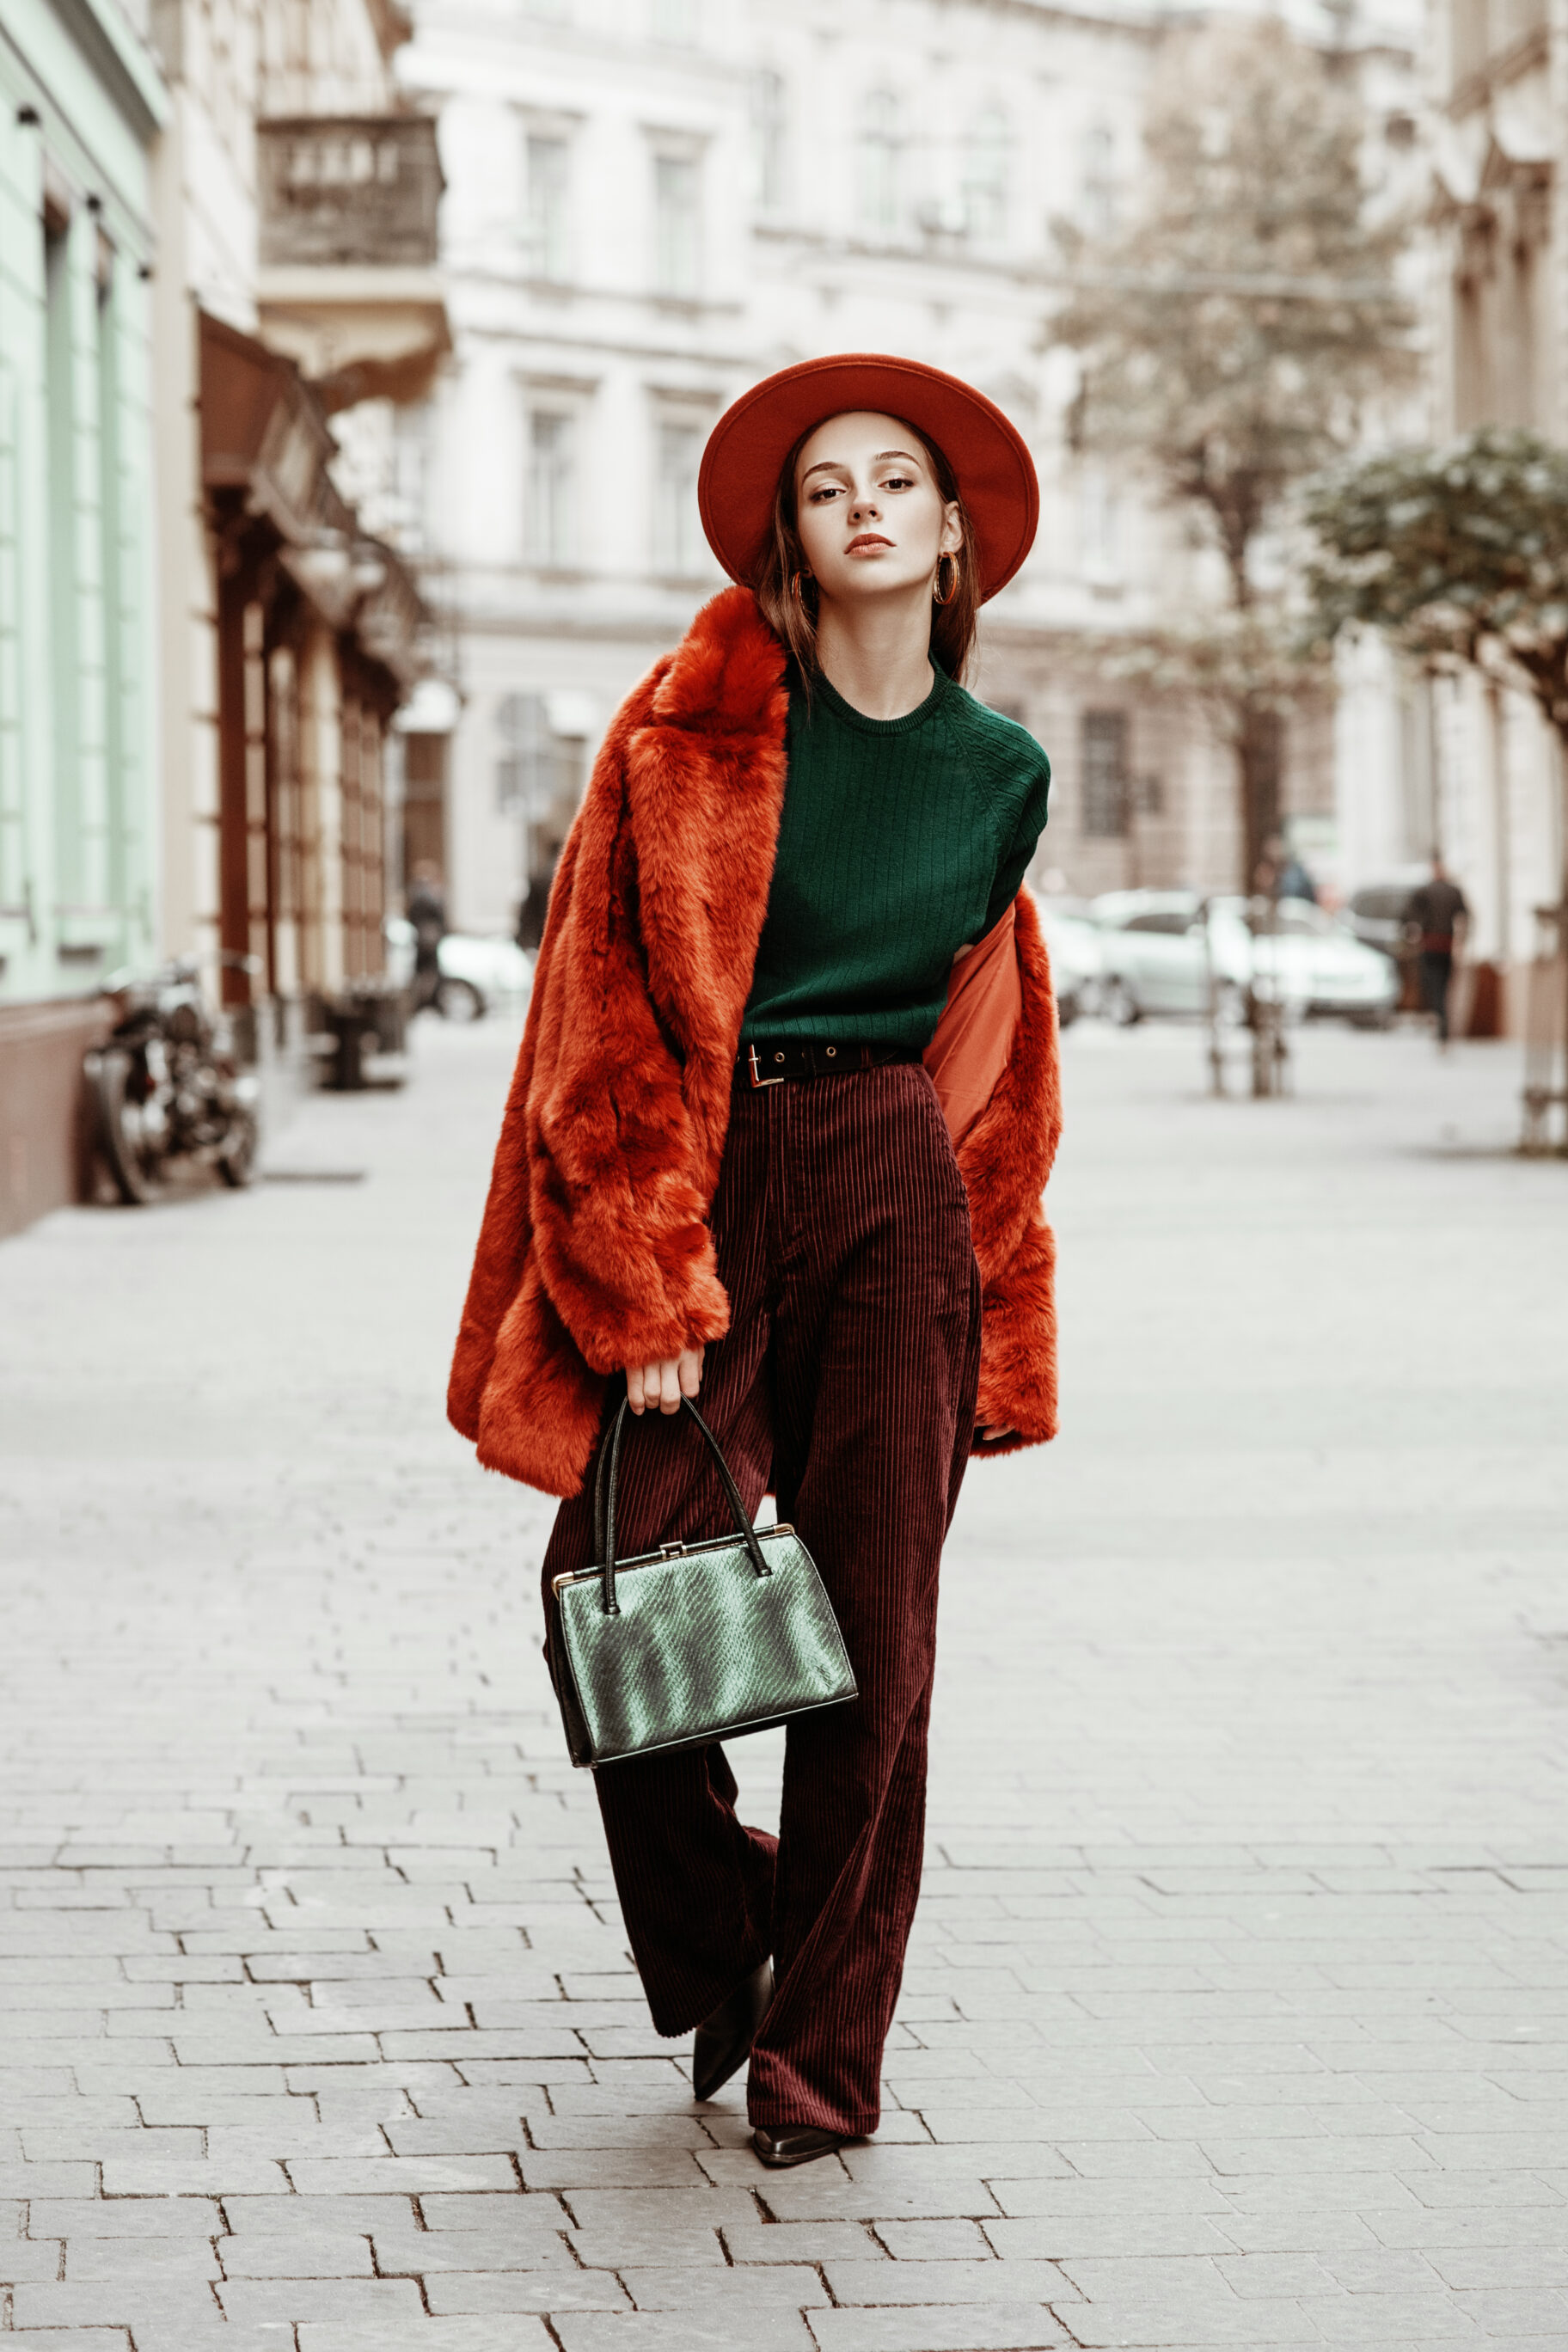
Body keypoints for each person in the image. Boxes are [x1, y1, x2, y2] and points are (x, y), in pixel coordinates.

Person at [447, 355, 1062, 2171]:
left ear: (951, 535)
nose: (864, 502)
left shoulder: (1001, 775)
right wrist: (639, 1283)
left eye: (899, 479)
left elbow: (994, 1046)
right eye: (824, 485)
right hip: (705, 1188)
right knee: (615, 1606)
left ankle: (821, 2061)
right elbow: (603, 1009)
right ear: (791, 539)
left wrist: (992, 1290)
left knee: (881, 1648)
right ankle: (728, 1933)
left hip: (893, 1186)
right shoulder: (696, 725)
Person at [1404, 853, 1469, 1044]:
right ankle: (1442, 1022)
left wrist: (1413, 936)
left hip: (1431, 945)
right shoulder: (1453, 891)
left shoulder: (1425, 891)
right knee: (1442, 985)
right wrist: (1463, 940)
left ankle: (1441, 1021)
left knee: (1434, 986)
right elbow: (1466, 916)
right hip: (1446, 945)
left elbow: (1408, 916)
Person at [406, 861, 447, 1010]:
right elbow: (438, 918)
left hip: (423, 942)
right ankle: (426, 1003)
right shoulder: (427, 896)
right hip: (427, 943)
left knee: (424, 974)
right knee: (429, 974)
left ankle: (425, 1003)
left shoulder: (417, 895)